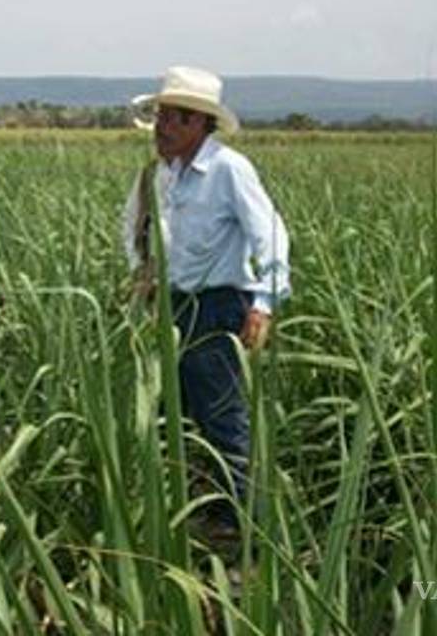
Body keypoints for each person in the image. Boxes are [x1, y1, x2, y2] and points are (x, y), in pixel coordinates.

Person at [122, 65, 291, 534]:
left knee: (222, 417)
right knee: (174, 414)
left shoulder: (229, 170)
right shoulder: (159, 175)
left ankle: (243, 528)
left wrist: (264, 303)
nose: (163, 126)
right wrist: (143, 274)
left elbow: (271, 235)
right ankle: (203, 507)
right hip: (169, 309)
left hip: (217, 309)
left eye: (176, 117)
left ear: (201, 124)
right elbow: (134, 229)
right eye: (160, 115)